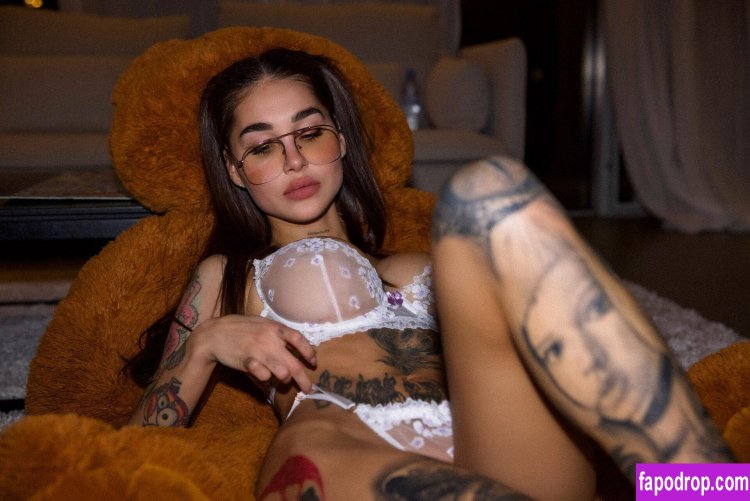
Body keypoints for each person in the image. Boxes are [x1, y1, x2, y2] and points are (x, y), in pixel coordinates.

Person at [124, 47, 733, 500]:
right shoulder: (230, 275)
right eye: (262, 146)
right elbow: (131, 450)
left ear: (342, 140)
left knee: (487, 186)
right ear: (234, 170)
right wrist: (205, 344)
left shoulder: (414, 263)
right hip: (347, 449)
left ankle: (709, 485)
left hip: (500, 443)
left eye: (310, 133)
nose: (294, 158)